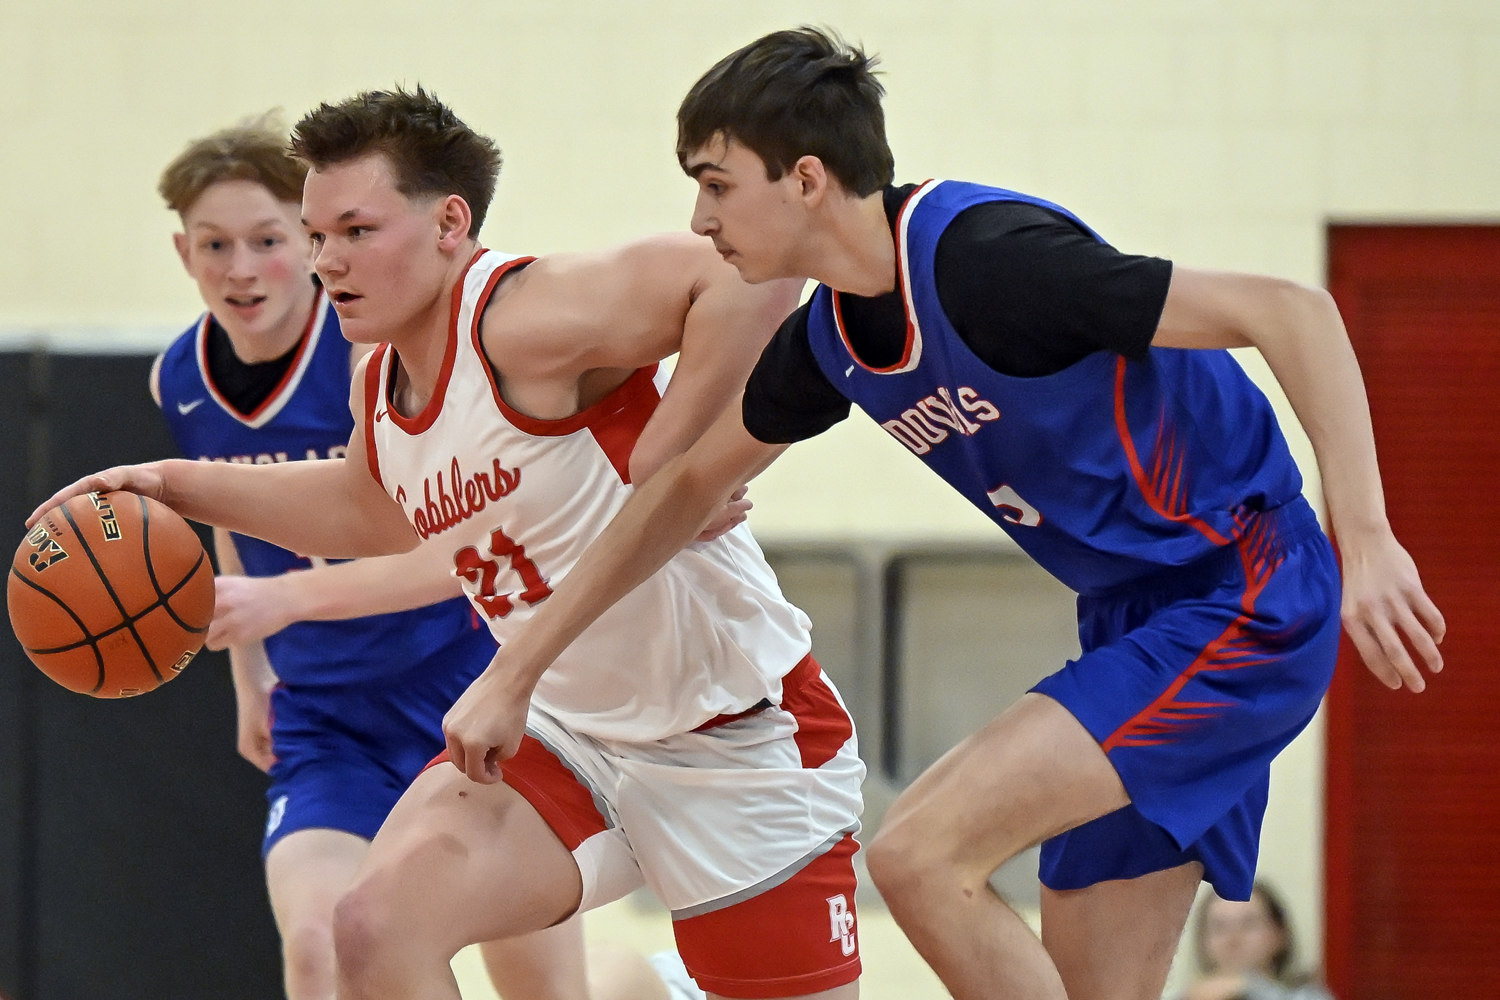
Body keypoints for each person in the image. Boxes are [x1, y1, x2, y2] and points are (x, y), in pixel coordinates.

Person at [432, 26, 1447, 1000]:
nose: (700, 220)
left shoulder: (990, 264)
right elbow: (681, 488)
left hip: (1245, 591)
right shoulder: (829, 337)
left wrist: (1365, 533)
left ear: (807, 179)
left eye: (715, 184)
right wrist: (516, 671)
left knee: (919, 852)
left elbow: (1291, 309)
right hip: (1137, 620)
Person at [33, 86, 863, 1000]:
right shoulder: (379, 382)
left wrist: (689, 457)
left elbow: (749, 275)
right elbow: (364, 515)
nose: (327, 261)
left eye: (355, 231)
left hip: (736, 734)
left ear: (448, 223)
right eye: (318, 236)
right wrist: (169, 484)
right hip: (574, 737)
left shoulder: (520, 315)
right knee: (371, 927)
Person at [151, 117, 589, 1000]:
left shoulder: (369, 351)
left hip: (462, 686)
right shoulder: (179, 381)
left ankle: (645, 983)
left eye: (271, 241)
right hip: (327, 722)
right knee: (320, 947)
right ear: (182, 250)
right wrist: (251, 678)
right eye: (216, 245)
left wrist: (289, 607)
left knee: (541, 988)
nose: (242, 269)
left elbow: (462, 551)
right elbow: (235, 526)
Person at [1179, 881, 1335, 1000]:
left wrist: (1249, 986)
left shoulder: (1306, 995)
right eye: (1219, 927)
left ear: (1279, 935)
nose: (1233, 939)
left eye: (1249, 924)